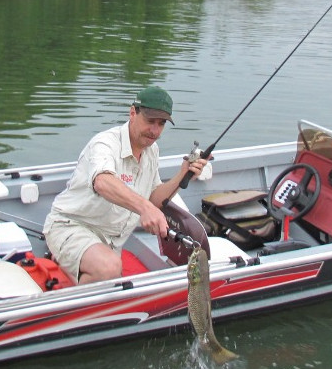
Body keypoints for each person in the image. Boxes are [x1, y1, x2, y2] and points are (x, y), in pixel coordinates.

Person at [43, 86, 210, 284]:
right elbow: (102, 182)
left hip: (109, 242)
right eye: (150, 121)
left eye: (161, 124)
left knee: (111, 269)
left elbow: (155, 199)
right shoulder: (105, 143)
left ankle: (77, 267)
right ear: (133, 113)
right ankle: (78, 302)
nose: (155, 131)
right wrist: (145, 208)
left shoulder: (151, 150)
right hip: (70, 226)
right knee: (109, 268)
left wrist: (183, 174)